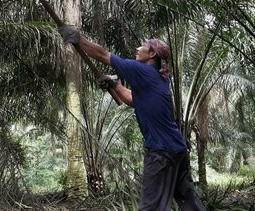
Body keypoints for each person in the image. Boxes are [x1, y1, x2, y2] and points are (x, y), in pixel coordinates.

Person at [59, 25, 206, 211]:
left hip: (161, 152)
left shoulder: (141, 70)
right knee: (189, 202)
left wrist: (78, 39)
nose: (138, 49)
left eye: (142, 47)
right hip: (178, 150)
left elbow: (103, 55)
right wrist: (114, 84)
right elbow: (132, 99)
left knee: (151, 207)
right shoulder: (157, 78)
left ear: (152, 54)